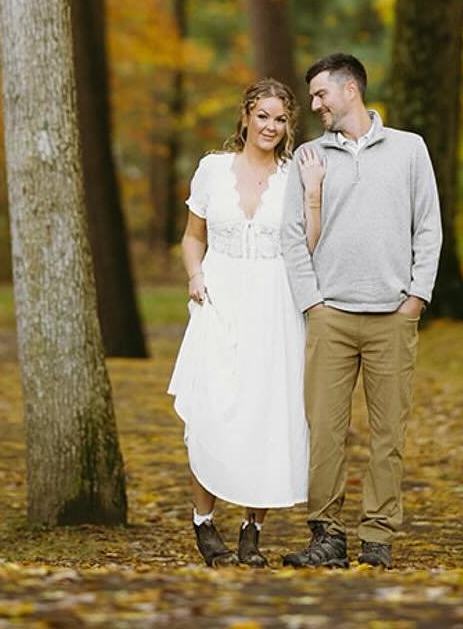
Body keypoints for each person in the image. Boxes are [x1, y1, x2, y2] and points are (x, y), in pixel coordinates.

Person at [280, 52, 442, 571]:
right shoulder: (309, 155)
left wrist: (416, 297)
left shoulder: (409, 149)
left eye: (321, 94)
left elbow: (429, 228)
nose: (315, 105)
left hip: (392, 316)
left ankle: (378, 537)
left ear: (351, 89)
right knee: (324, 432)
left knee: (388, 433)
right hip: (331, 316)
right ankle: (326, 535)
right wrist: (312, 301)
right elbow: (290, 239)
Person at [167, 79, 309, 567]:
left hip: (275, 305)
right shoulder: (212, 169)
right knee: (211, 411)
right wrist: (194, 275)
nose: (271, 126)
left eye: (281, 118)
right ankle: (204, 523)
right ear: (246, 116)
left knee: (266, 415)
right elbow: (192, 237)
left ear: (289, 126)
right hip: (219, 299)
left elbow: (308, 242)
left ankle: (253, 530)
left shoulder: (296, 177)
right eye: (263, 115)